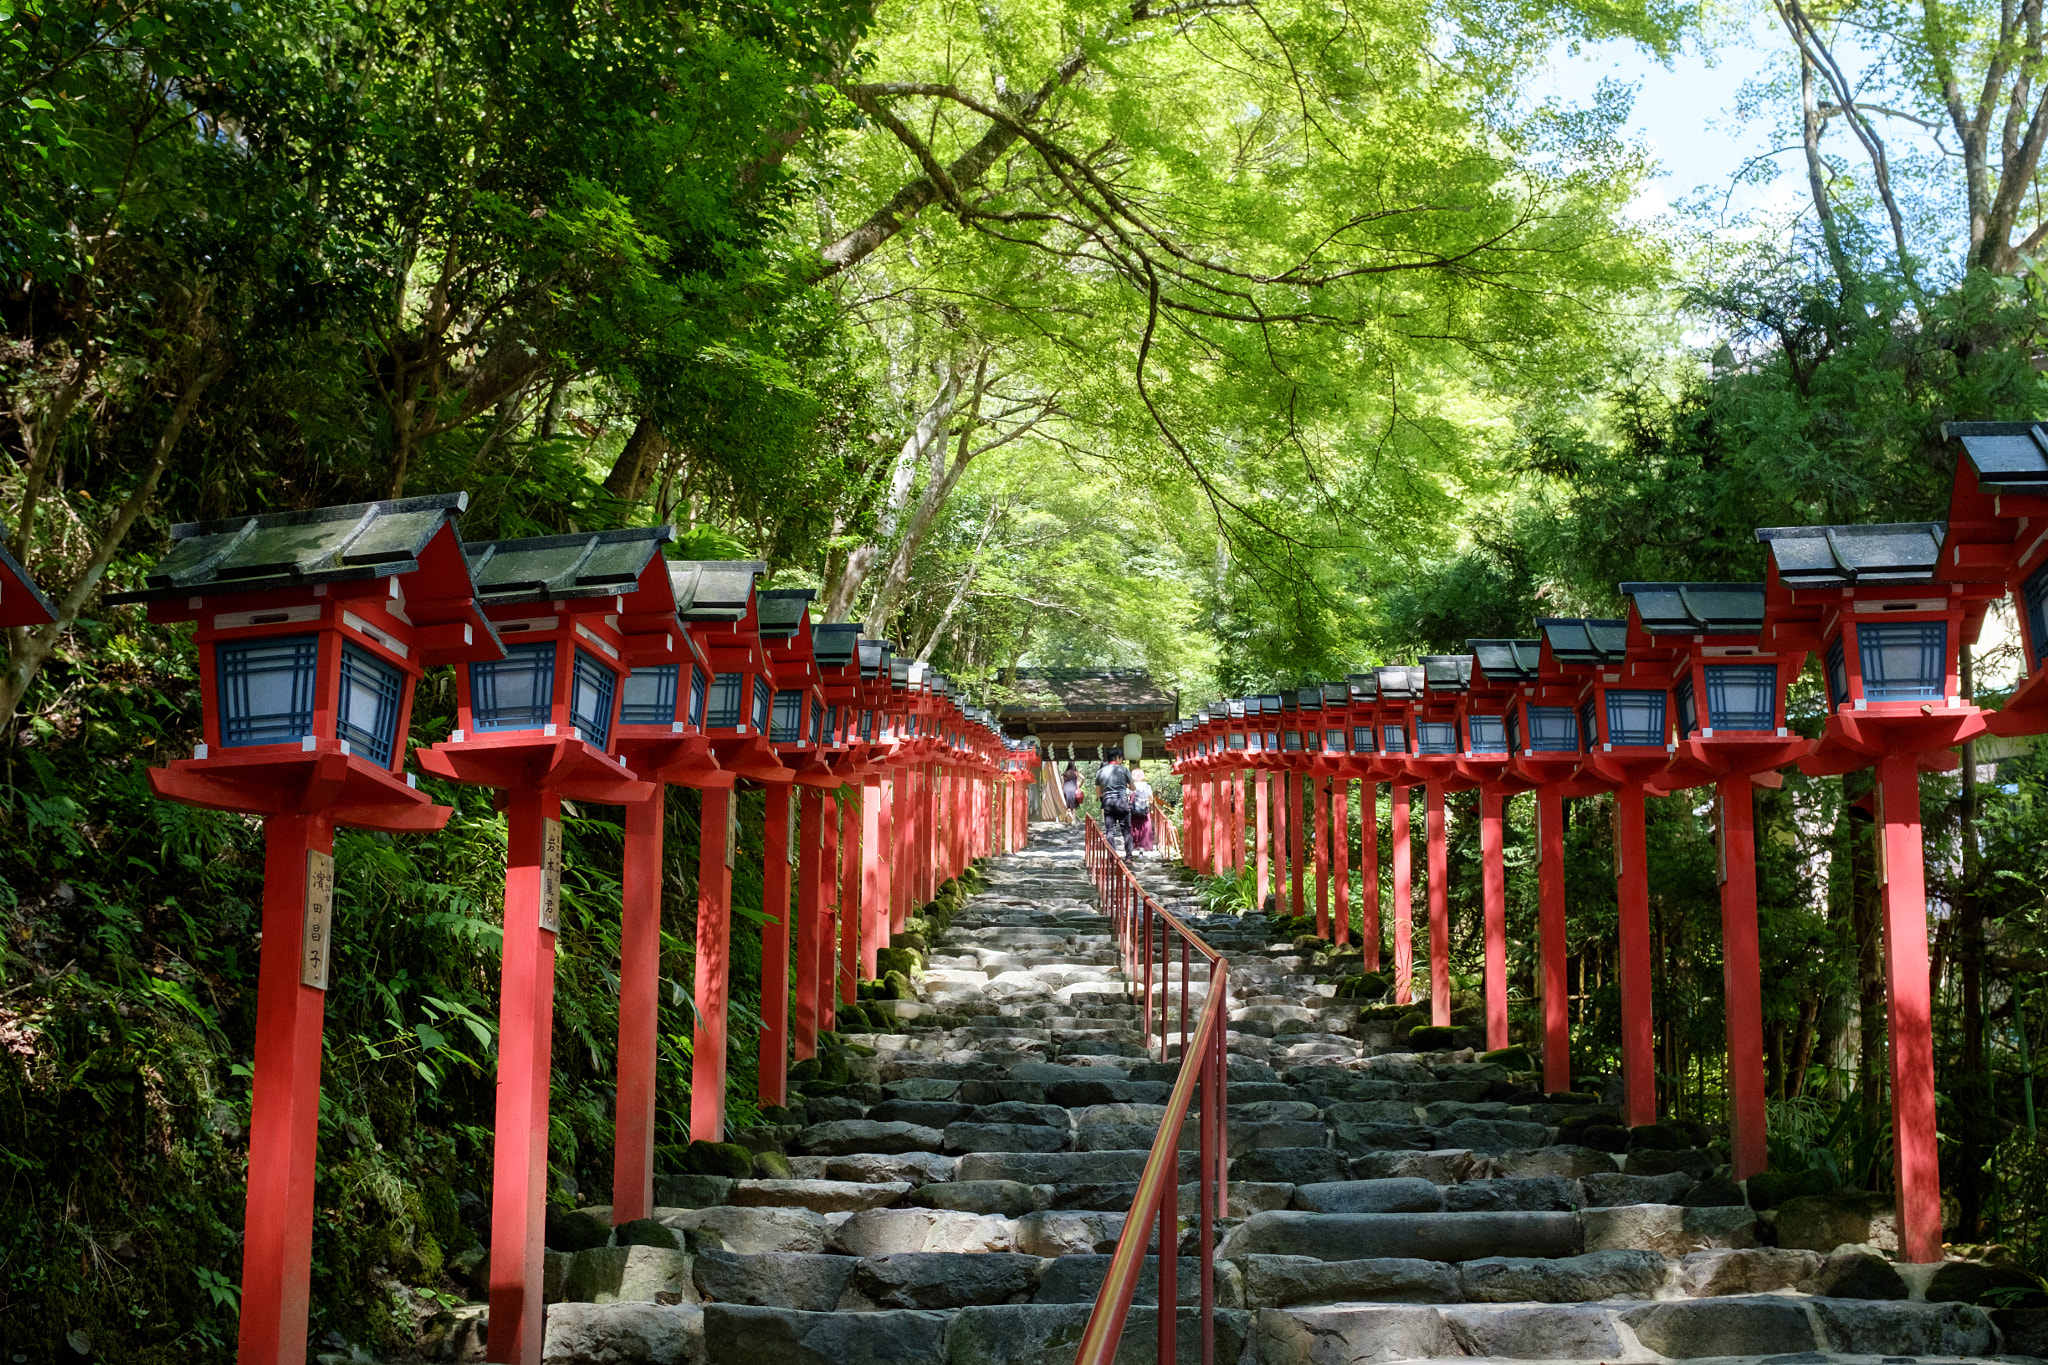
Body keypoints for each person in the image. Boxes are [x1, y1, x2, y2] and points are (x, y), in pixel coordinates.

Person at [1096, 752, 1133, 856]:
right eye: (1121, 758)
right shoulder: (1123, 769)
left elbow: (1098, 793)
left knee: (1110, 832)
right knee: (1126, 831)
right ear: (1117, 757)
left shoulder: (1100, 772)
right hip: (1122, 802)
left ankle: (1112, 856)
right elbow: (1133, 787)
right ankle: (1129, 857)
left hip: (1108, 803)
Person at [1128, 761, 1155, 854]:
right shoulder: (1147, 786)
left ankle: (1135, 844)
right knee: (1145, 827)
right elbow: (1151, 799)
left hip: (1134, 810)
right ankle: (1144, 845)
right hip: (1144, 809)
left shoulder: (1131, 786)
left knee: (1134, 826)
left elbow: (1127, 797)